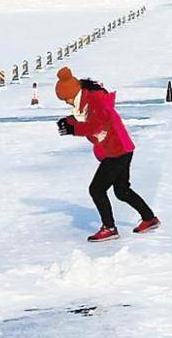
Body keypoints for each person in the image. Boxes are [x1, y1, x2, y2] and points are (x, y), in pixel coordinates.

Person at [55, 66, 159, 242]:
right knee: (122, 190)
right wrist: (69, 122)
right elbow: (88, 119)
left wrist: (73, 128)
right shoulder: (87, 100)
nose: (67, 102)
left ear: (73, 93)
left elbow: (97, 124)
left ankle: (109, 228)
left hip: (116, 150)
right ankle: (149, 219)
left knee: (96, 189)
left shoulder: (94, 99)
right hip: (121, 148)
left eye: (66, 99)